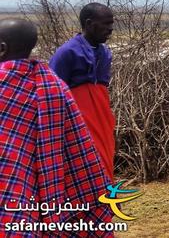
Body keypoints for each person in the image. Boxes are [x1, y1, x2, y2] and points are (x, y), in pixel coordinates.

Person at [0, 18, 113, 234]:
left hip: (11, 175)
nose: (110, 28)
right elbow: (76, 145)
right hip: (49, 173)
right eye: (106, 23)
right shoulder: (53, 83)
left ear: (2, 48)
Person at [50, 2, 116, 180]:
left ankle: (105, 206)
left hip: (101, 120)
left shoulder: (105, 53)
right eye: (106, 24)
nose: (110, 29)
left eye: (111, 24)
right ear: (89, 24)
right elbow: (53, 93)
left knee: (104, 164)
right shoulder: (67, 52)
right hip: (76, 124)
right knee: (84, 169)